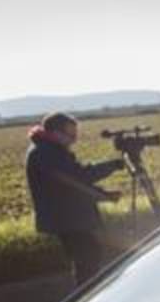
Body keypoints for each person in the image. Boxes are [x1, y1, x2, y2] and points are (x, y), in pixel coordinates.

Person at [25, 112, 124, 286]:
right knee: (87, 261)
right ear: (56, 132)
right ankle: (87, 296)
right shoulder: (46, 153)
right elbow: (78, 177)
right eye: (71, 135)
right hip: (67, 219)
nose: (74, 140)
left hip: (70, 217)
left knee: (89, 258)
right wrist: (112, 166)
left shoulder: (49, 149)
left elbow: (72, 183)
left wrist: (104, 195)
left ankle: (88, 292)